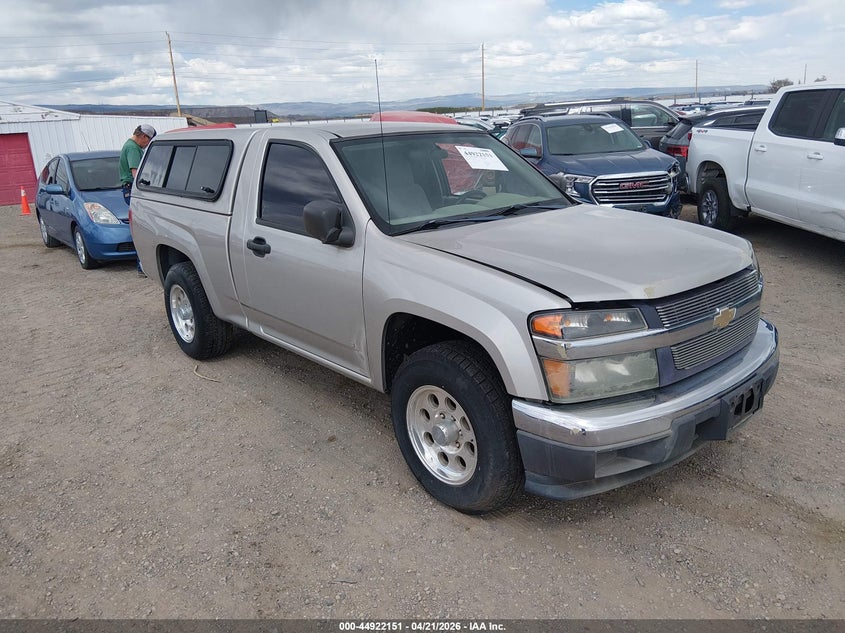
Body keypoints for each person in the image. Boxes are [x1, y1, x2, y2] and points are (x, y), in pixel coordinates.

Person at [119, 124, 156, 276]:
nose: (147, 144)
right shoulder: (133, 148)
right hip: (132, 189)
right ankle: (143, 267)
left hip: (128, 189)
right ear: (143, 136)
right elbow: (136, 174)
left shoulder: (129, 145)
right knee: (143, 228)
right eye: (148, 141)